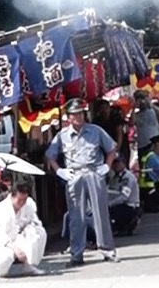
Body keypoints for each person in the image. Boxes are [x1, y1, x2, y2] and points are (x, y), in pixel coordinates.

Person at [44, 97, 118, 266]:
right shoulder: (62, 136)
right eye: (74, 115)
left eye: (80, 114)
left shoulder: (96, 131)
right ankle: (77, 254)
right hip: (74, 175)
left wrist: (107, 166)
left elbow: (112, 148)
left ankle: (108, 250)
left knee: (101, 213)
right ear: (68, 117)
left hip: (93, 171)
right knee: (76, 215)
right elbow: (50, 155)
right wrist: (59, 170)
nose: (78, 117)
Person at [0, 182, 47, 278]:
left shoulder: (28, 205)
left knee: (39, 231)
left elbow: (36, 222)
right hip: (1, 244)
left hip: (18, 238)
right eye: (20, 200)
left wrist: (27, 229)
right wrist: (15, 248)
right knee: (5, 259)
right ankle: (0, 269)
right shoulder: (0, 210)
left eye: (24, 200)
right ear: (12, 196)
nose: (22, 203)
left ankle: (29, 265)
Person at [107, 157, 141, 236]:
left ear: (123, 163)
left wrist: (109, 204)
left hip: (130, 206)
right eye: (114, 163)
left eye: (118, 163)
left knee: (109, 211)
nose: (116, 165)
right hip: (120, 204)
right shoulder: (115, 177)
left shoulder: (127, 177)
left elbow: (124, 197)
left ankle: (129, 223)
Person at [132, 91, 159, 160]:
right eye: (139, 99)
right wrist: (134, 108)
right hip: (142, 145)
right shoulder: (136, 114)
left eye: (143, 98)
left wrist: (151, 104)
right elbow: (132, 122)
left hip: (154, 144)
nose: (142, 102)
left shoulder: (153, 110)